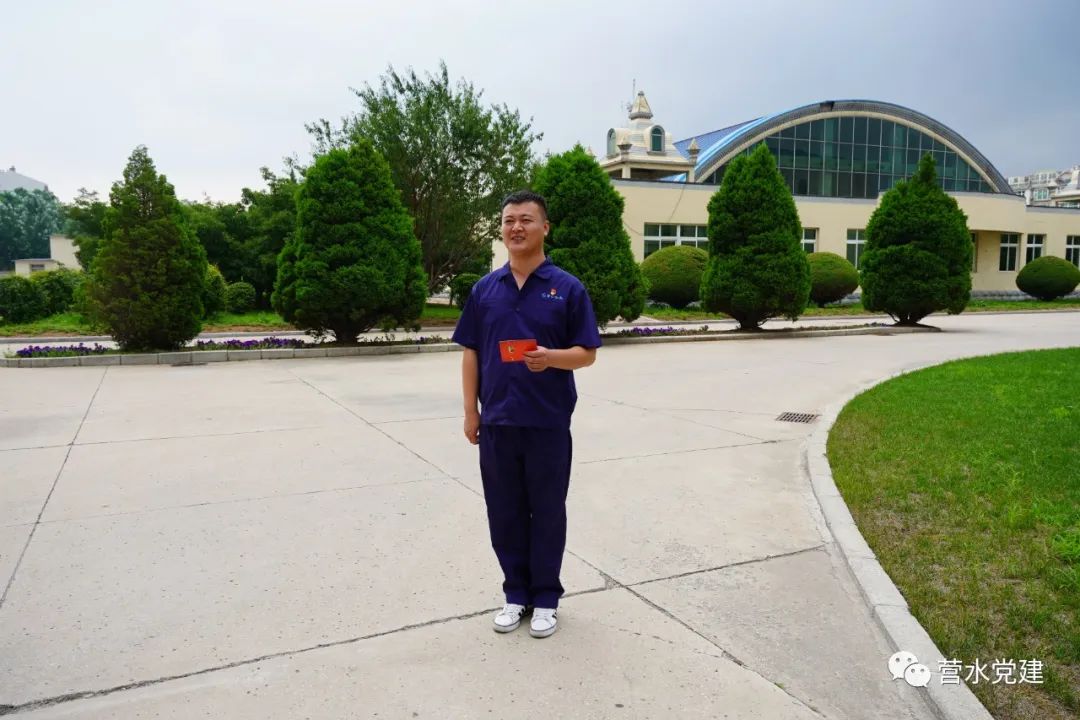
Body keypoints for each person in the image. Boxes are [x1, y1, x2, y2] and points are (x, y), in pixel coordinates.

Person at [452, 190, 601, 638]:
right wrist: (471, 412)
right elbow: (471, 353)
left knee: (547, 512)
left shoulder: (567, 288)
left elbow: (587, 353)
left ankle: (546, 599)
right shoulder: (485, 290)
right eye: (509, 220)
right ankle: (515, 594)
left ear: (545, 228)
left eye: (526, 220)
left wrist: (551, 358)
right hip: (497, 423)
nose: (516, 227)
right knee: (504, 512)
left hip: (547, 423)